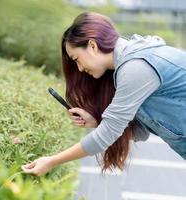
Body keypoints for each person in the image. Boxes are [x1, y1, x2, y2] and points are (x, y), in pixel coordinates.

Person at [21, 12, 186, 176]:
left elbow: (108, 133)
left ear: (92, 46)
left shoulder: (136, 67)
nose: (79, 69)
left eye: (76, 58)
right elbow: (141, 131)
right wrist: (98, 121)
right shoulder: (131, 64)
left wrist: (51, 161)